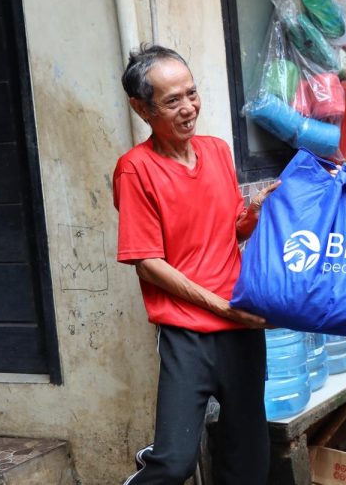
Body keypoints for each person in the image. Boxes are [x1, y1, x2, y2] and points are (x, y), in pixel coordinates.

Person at [112, 45, 277, 484]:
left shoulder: (218, 151)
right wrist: (222, 308)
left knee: (247, 461)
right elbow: (147, 264)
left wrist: (250, 218)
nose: (189, 109)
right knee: (174, 462)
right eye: (172, 101)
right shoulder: (136, 170)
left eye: (192, 93)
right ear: (141, 109)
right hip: (188, 333)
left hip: (242, 331)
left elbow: (224, 234)